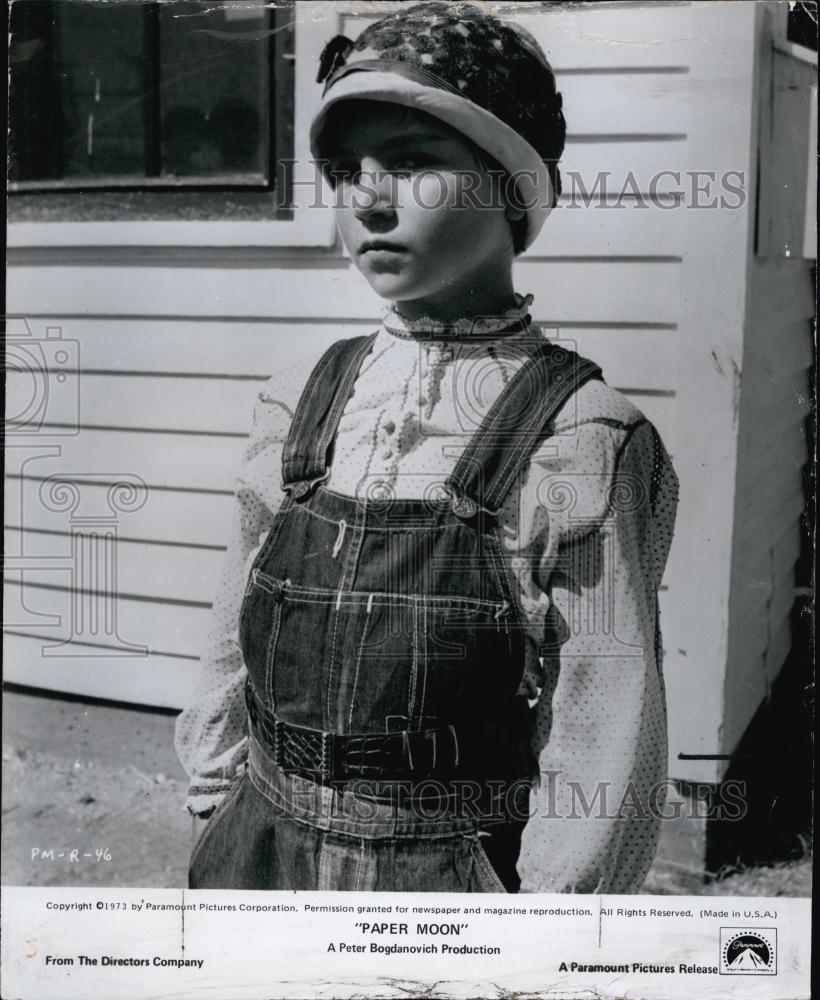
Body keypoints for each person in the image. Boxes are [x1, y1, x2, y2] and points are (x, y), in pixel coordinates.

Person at [174, 1, 678, 893]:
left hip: (442, 875)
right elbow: (230, 628)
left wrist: (549, 936)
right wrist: (219, 796)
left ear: (508, 187)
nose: (366, 198)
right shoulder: (300, 401)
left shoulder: (582, 436)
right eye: (342, 171)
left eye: (410, 163)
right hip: (260, 842)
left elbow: (605, 718)